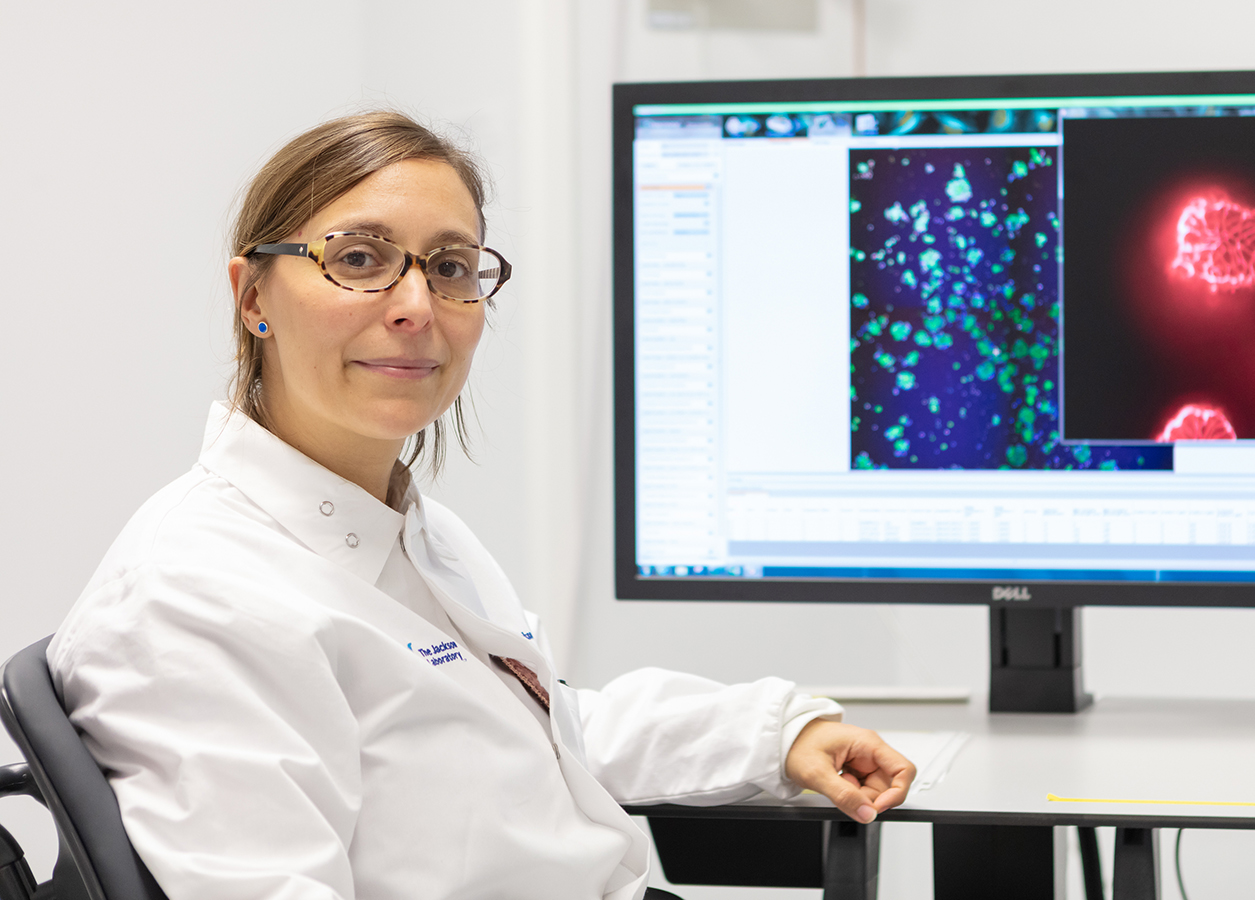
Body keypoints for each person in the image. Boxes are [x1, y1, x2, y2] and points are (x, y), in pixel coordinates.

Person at [47, 111, 914, 900]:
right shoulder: (196, 598)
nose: (417, 306)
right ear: (252, 297)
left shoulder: (404, 531)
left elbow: (537, 731)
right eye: (358, 259)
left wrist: (774, 736)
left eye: (451, 267)